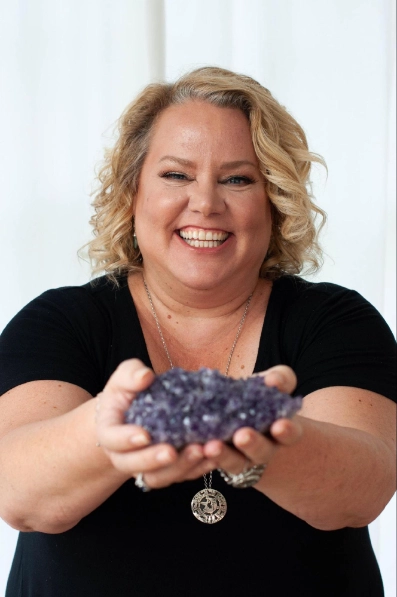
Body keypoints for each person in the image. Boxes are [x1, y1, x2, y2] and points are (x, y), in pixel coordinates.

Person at [0, 66, 395, 597]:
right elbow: (19, 494)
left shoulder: (336, 321)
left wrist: (261, 438)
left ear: (274, 200)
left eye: (237, 178)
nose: (205, 203)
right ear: (132, 192)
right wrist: (113, 425)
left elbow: (363, 490)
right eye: (176, 175)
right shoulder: (60, 321)